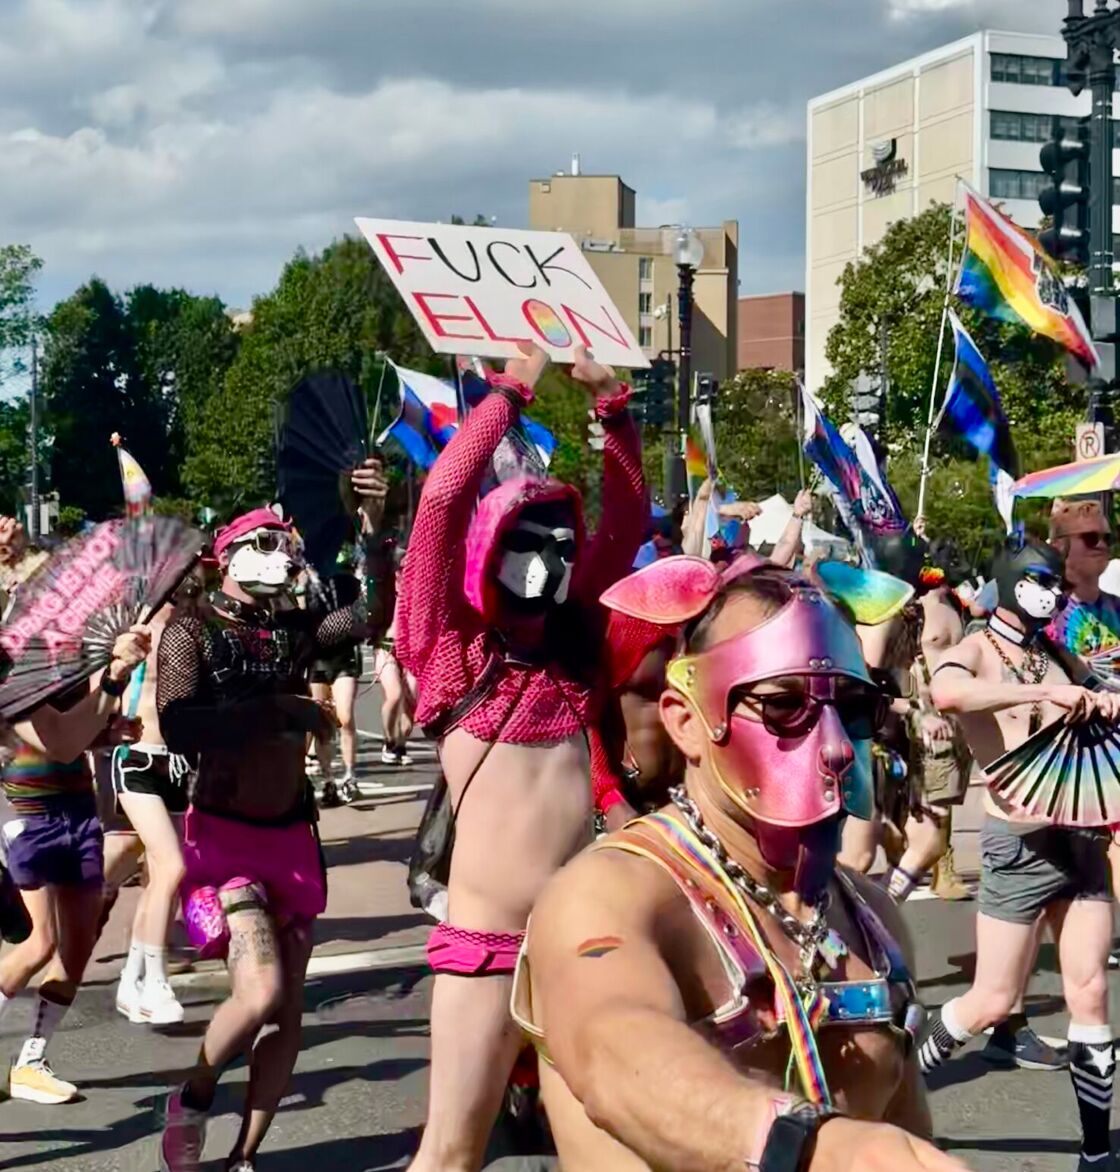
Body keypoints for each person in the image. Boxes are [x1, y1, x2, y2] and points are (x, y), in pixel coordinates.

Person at [515, 558, 965, 1172]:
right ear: (687, 722)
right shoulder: (612, 892)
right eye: (784, 704)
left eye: (852, 709)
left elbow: (908, 1138)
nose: (834, 746)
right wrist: (811, 1146)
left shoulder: (870, 915)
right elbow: (613, 1045)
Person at [397, 343, 644, 1172]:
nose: (552, 560)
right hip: (488, 946)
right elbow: (439, 502)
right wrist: (509, 390)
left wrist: (614, 410)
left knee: (610, 1149)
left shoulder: (573, 644)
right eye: (527, 542)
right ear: (486, 551)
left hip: (584, 942)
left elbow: (628, 525)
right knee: (451, 1155)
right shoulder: (449, 654)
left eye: (560, 545)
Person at [155, 460, 388, 1172]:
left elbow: (371, 615)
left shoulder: (295, 627)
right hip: (224, 839)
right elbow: (179, 725)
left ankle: (245, 1154)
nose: (282, 556)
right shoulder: (190, 629)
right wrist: (277, 710)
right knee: (260, 992)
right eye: (265, 542)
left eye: (287, 546)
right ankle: (193, 1094)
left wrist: (372, 529)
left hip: (293, 836)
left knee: (287, 1012)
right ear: (227, 557)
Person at [921, 535, 1119, 1172]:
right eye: (1039, 579)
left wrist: (1103, 697)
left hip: (1080, 834)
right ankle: (901, 1084)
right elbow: (948, 696)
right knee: (992, 1004)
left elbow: (1102, 684)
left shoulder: (1056, 648)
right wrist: (1045, 696)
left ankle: (1095, 1153)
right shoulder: (975, 648)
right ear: (1008, 582)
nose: (1052, 590)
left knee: (1089, 991)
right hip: (1017, 843)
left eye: (1055, 580)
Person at [0, 626, 151, 1104]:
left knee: (77, 947)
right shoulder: (5, 663)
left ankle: (31, 1062)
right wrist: (113, 677)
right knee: (39, 942)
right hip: (25, 811)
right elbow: (57, 741)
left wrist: (105, 730)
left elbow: (71, 735)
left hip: (78, 809)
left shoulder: (54, 653)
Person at [1045, 498, 1120, 969]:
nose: (1102, 546)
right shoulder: (1046, 614)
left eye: (1107, 538)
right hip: (1072, 758)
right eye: (1090, 538)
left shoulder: (1116, 607)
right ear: (1060, 547)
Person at [113, 599, 195, 1026]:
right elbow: (101, 689)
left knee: (158, 879)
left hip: (177, 764)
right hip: (136, 759)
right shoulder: (130, 625)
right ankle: (157, 983)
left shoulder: (193, 624)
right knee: (173, 867)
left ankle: (132, 980)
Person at [882, 540, 972, 903]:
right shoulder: (909, 614)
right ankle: (883, 907)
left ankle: (884, 901)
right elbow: (885, 679)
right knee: (929, 835)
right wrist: (916, 712)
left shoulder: (952, 605)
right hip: (928, 725)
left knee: (933, 827)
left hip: (957, 723)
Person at [309, 556, 365, 806]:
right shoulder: (308, 582)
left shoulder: (349, 582)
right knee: (320, 723)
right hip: (317, 660)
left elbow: (364, 612)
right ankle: (328, 779)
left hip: (344, 658)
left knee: (345, 718)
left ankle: (350, 775)